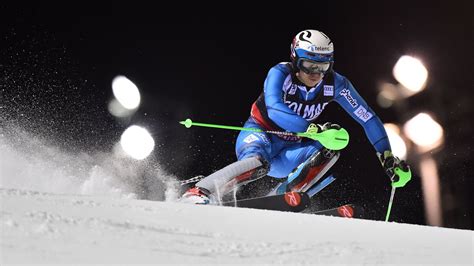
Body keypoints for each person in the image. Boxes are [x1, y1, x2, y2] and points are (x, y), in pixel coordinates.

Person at [180, 29, 411, 204]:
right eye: (309, 65)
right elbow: (274, 107)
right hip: (260, 135)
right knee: (259, 163)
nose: (315, 74)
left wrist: (387, 156)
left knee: (331, 150)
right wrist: (314, 129)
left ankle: (284, 196)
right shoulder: (280, 73)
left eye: (323, 67)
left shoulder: (337, 85)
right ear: (295, 59)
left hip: (288, 151)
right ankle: (199, 191)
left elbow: (367, 117)